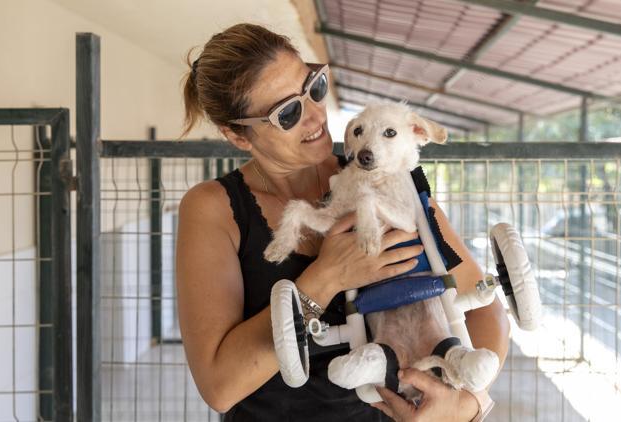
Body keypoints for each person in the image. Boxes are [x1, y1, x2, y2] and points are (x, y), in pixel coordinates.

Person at [175, 23, 510, 421]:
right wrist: (326, 277)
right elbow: (219, 385)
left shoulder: (384, 171)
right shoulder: (214, 208)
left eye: (313, 86)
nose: (316, 114)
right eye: (287, 112)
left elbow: (484, 308)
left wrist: (468, 404)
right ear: (239, 136)